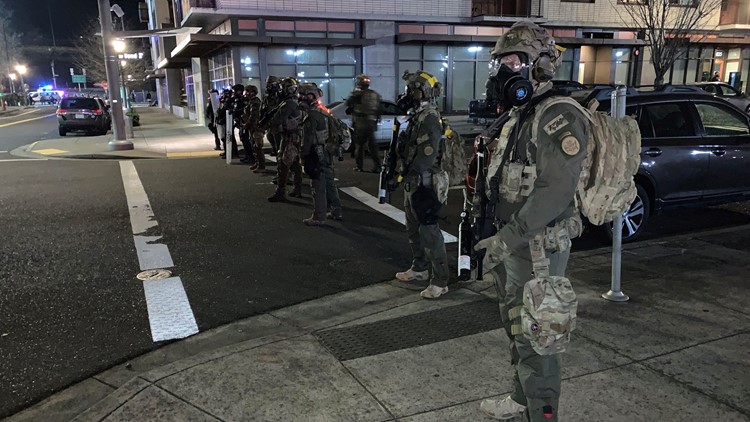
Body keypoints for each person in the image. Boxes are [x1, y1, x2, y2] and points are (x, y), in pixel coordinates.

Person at [472, 22, 588, 422]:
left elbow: (555, 191)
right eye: (502, 62)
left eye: (515, 60)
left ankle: (542, 414)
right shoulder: (523, 113)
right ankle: (522, 401)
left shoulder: (558, 115)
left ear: (540, 65)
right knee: (519, 330)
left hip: (536, 246)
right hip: (513, 242)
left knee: (540, 338)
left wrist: (508, 238)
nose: (506, 70)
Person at [391, 70, 450, 300]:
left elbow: (426, 156)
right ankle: (420, 268)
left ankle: (440, 280)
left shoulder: (430, 118)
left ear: (421, 91)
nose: (407, 94)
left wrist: (404, 172)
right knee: (413, 229)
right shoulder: (418, 116)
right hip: (413, 180)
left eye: (411, 89)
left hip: (425, 182)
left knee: (429, 232)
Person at [267, 77, 303, 202]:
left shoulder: (289, 103)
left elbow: (277, 120)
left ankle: (281, 192)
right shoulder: (294, 101)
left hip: (290, 137)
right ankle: (297, 189)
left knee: (284, 164)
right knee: (294, 163)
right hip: (294, 136)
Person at [345, 74, 382, 173]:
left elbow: (347, 104)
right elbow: (379, 109)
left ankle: (359, 166)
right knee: (372, 146)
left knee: (359, 146)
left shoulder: (357, 94)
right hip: (371, 122)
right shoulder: (375, 94)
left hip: (360, 123)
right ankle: (378, 166)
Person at [242, 85, 267, 173]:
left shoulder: (255, 102)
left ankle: (261, 165)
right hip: (253, 127)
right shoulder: (251, 102)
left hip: (256, 127)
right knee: (254, 146)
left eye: (248, 91)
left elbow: (253, 116)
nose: (246, 94)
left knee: (258, 147)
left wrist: (247, 124)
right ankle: (258, 163)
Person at [261, 76, 283, 156]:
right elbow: (264, 106)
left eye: (270, 84)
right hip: (269, 118)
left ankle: (279, 151)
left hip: (278, 119)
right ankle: (275, 149)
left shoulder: (281, 95)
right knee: (270, 136)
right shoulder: (267, 96)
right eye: (268, 84)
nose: (268, 86)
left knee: (277, 137)